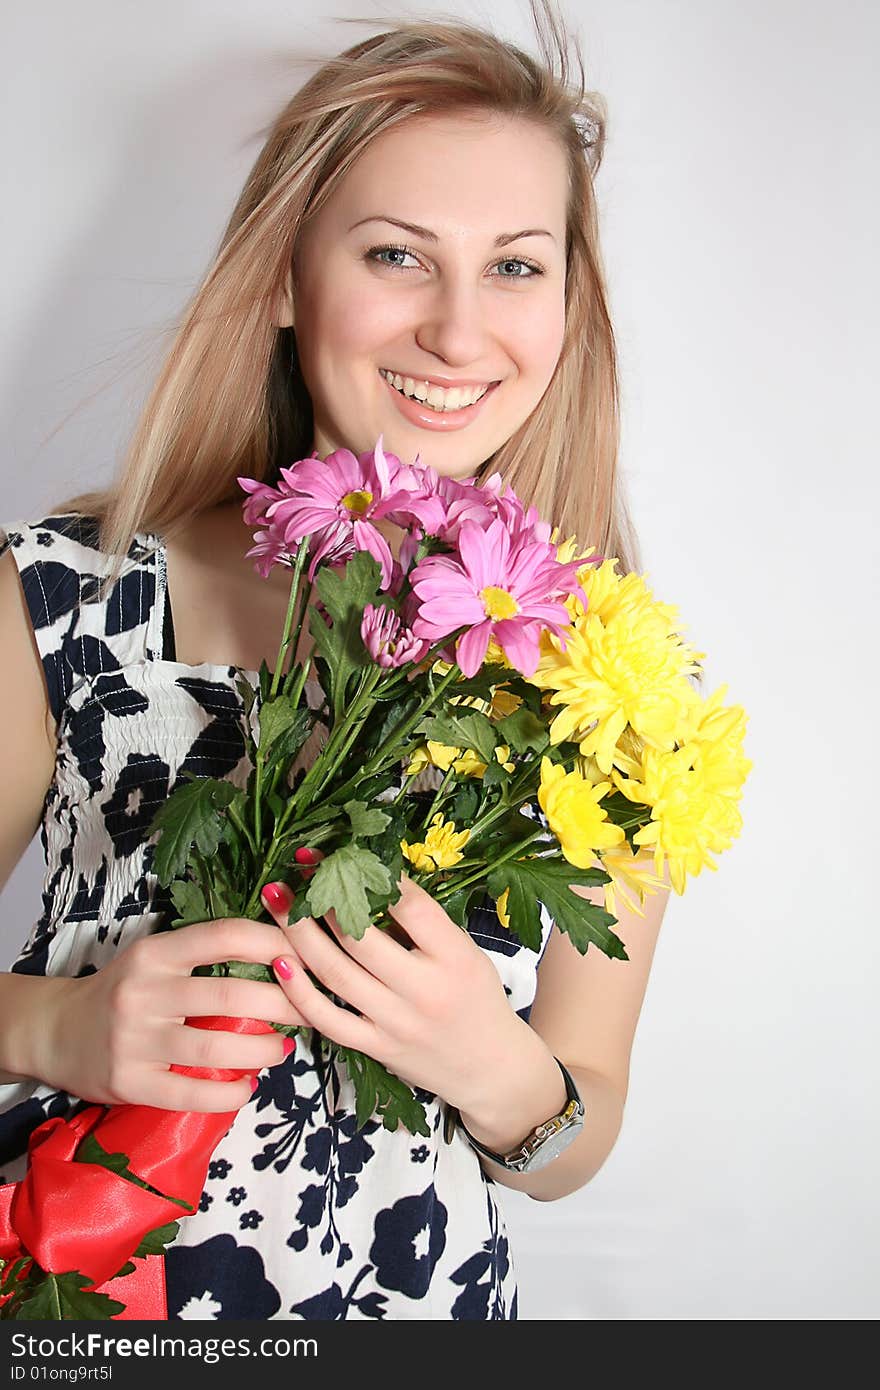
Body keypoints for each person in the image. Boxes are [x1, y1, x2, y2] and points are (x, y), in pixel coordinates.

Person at [0, 1, 670, 1320]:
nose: (461, 333)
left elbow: (581, 1123)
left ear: (569, 307)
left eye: (518, 266)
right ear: (282, 280)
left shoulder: (606, 685)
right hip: (77, 1311)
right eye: (398, 255)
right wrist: (51, 1026)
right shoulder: (58, 600)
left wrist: (500, 1069)